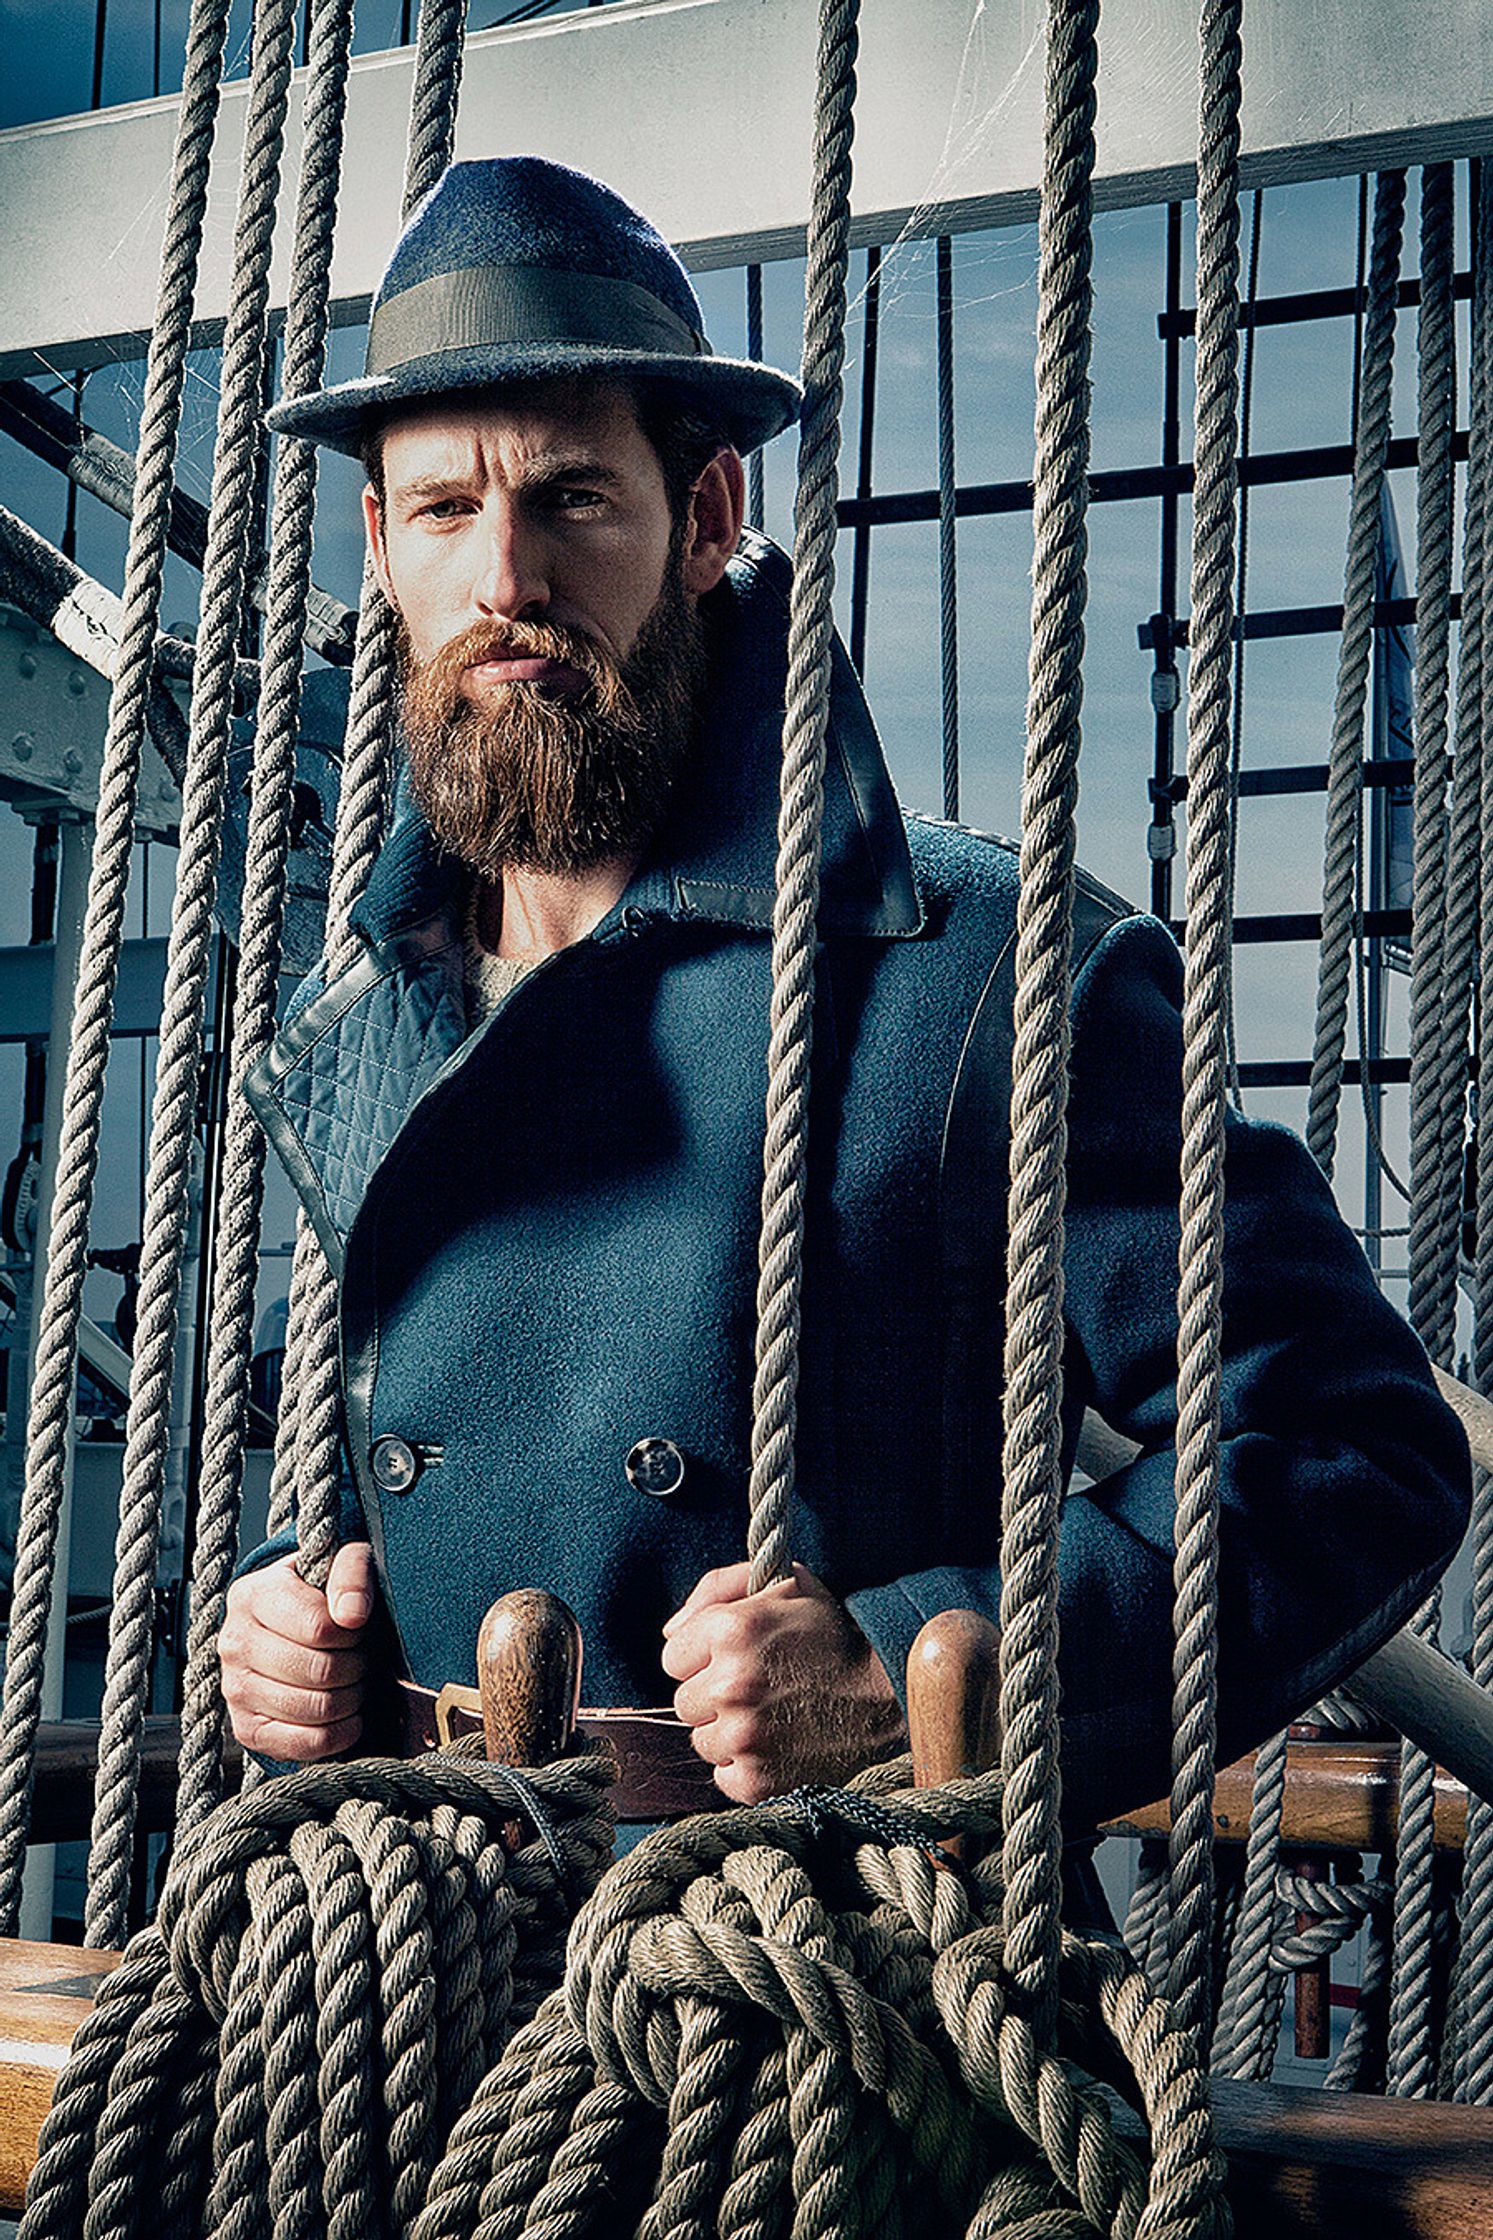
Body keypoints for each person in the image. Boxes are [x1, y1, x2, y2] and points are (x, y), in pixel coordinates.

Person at [218, 156, 1470, 1832]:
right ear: (381, 548)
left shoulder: (977, 973)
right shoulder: (366, 1002)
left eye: (574, 498)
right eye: (445, 510)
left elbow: (1348, 1450)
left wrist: (914, 1664)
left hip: (799, 1984)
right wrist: (292, 1637)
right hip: (425, 1935)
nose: (505, 577)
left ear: (709, 519)